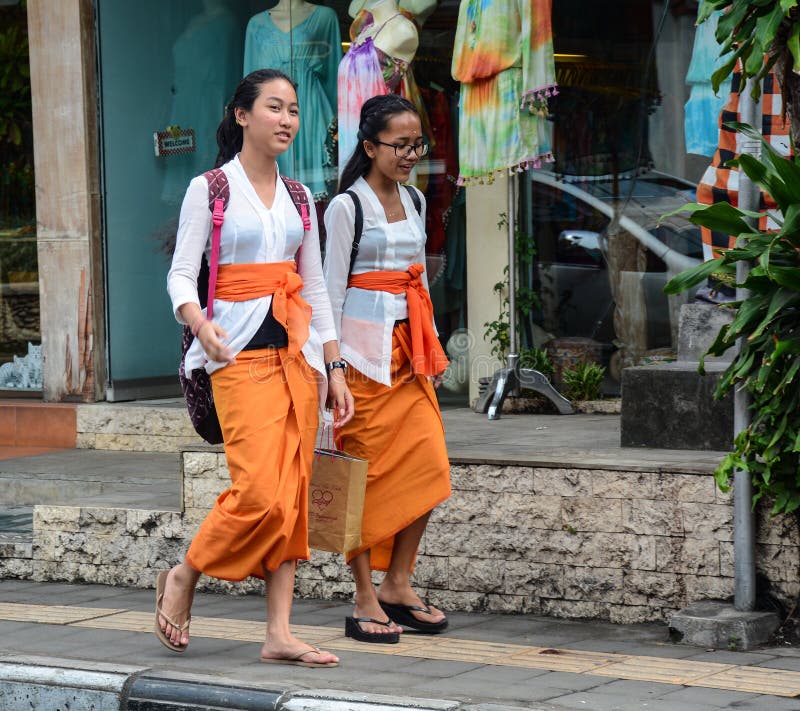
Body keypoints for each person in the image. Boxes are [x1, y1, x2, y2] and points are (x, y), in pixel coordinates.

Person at [160, 68, 354, 668]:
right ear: (241, 115)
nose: (287, 120)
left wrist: (335, 363)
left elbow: (316, 285)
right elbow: (179, 272)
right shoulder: (210, 188)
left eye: (294, 110)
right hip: (234, 357)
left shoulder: (300, 198)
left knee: (293, 497)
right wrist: (199, 323)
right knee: (260, 495)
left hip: (296, 359)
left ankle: (279, 632)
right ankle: (186, 574)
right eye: (274, 107)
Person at [323, 94, 451, 644]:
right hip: (359, 363)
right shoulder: (344, 208)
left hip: (410, 357)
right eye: (399, 145)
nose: (410, 154)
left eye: (416, 145)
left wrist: (435, 346)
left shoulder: (417, 202)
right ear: (370, 146)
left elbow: (417, 280)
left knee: (430, 466)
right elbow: (326, 292)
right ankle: (364, 595)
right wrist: (328, 371)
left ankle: (398, 582)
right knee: (363, 479)